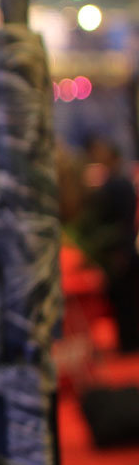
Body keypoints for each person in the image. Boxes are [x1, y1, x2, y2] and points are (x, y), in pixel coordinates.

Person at [82, 136, 139, 352]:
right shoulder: (120, 183)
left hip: (120, 252)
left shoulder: (117, 184)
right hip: (124, 250)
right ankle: (129, 342)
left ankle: (129, 343)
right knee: (127, 302)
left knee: (125, 302)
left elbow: (117, 222)